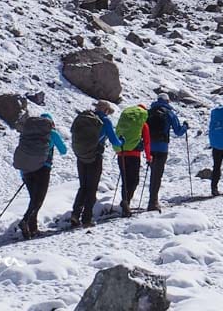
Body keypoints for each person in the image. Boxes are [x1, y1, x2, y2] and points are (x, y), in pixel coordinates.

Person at [13, 112, 67, 239]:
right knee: (38, 200)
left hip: (26, 170)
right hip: (43, 169)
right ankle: (25, 221)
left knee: (34, 199)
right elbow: (63, 150)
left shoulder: (27, 134)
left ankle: (32, 229)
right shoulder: (52, 133)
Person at [70, 100, 122, 228]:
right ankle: (87, 218)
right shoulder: (105, 121)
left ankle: (75, 214)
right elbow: (114, 141)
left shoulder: (84, 118)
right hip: (95, 157)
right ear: (106, 110)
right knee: (92, 187)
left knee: (83, 186)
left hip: (81, 156)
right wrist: (122, 141)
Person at [146, 92, 188, 212]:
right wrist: (185, 126)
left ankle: (152, 200)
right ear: (167, 101)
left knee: (153, 173)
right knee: (157, 175)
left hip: (150, 148)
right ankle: (153, 202)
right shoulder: (169, 113)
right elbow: (178, 131)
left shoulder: (149, 112)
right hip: (162, 148)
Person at [113, 103, 152, 216]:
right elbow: (147, 142)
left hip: (121, 153)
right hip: (134, 155)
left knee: (125, 180)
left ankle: (125, 202)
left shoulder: (125, 122)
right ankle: (126, 202)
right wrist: (148, 157)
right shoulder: (143, 125)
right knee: (134, 180)